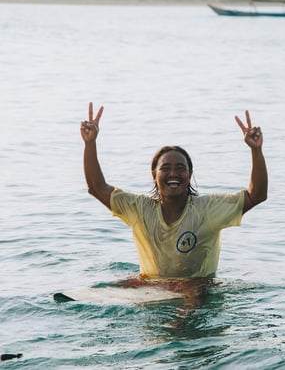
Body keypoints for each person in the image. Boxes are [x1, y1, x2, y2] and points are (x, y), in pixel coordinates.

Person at [80, 102, 267, 294]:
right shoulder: (138, 208)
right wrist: (90, 143)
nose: (173, 174)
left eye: (180, 168)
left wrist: (256, 150)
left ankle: (180, 321)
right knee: (102, 289)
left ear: (189, 174)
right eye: (165, 168)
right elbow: (96, 188)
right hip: (152, 285)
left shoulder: (208, 209)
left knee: (192, 291)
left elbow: (256, 195)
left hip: (196, 288)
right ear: (154, 174)